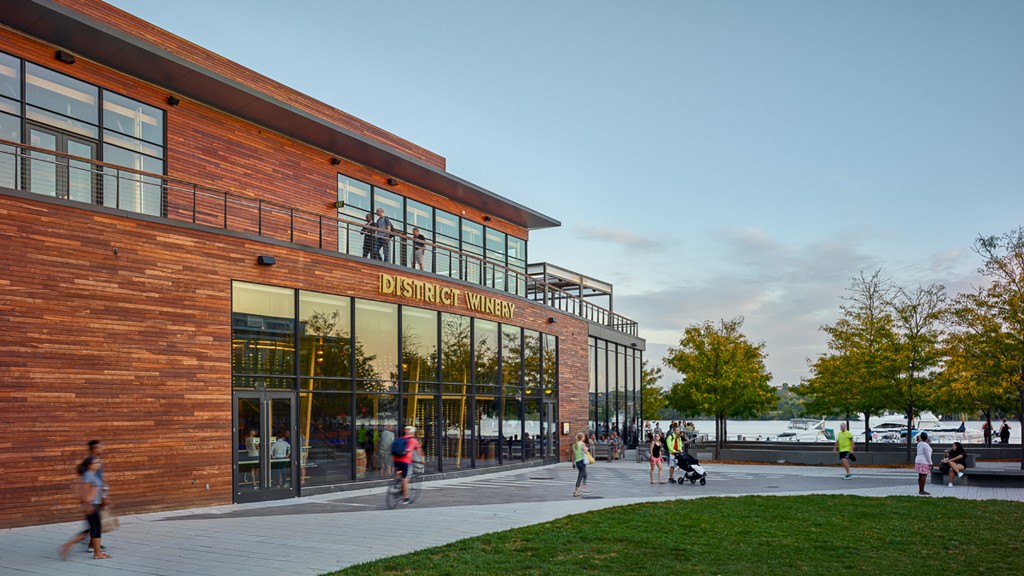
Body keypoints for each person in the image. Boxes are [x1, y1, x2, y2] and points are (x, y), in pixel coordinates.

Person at [60, 456, 111, 560]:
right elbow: (84, 492)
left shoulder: (91, 474)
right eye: (95, 462)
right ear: (89, 465)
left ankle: (67, 545)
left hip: (93, 505)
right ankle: (97, 554)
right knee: (96, 530)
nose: (98, 463)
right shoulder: (88, 475)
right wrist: (88, 504)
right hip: (92, 506)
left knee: (89, 530)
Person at [392, 425, 423, 504]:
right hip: (405, 461)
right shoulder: (413, 440)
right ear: (412, 432)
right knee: (405, 479)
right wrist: (422, 460)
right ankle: (406, 498)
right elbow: (419, 450)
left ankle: (396, 485)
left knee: (399, 473)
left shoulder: (400, 439)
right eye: (414, 432)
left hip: (396, 460)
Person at [571, 432, 591, 497]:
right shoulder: (582, 444)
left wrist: (573, 463)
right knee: (581, 475)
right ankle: (577, 490)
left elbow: (573, 455)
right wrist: (587, 449)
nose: (584, 438)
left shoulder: (574, 445)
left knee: (584, 474)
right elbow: (585, 451)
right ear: (581, 437)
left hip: (577, 462)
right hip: (582, 461)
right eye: (584, 437)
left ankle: (582, 487)